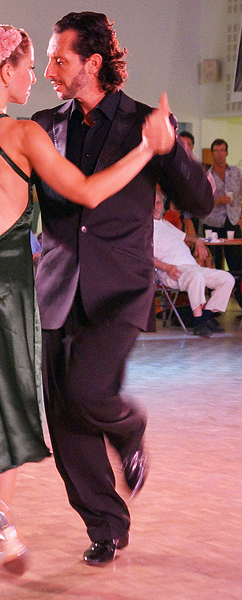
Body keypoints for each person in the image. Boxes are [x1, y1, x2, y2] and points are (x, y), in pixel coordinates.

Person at [0, 23, 175, 578]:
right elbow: (89, 192)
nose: (37, 77)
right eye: (31, 67)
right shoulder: (28, 134)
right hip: (3, 284)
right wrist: (146, 150)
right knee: (5, 405)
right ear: (5, 70)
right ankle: (2, 516)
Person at [30, 11, 213, 567]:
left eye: (58, 59)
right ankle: (106, 525)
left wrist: (170, 149)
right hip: (56, 289)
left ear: (92, 63)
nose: (48, 71)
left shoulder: (146, 123)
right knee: (65, 423)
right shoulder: (43, 124)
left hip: (119, 291)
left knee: (88, 393)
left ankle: (129, 427)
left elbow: (200, 202)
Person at [154, 190, 234, 336]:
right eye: (152, 204)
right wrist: (167, 267)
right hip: (172, 271)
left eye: (158, 203)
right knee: (196, 275)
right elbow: (144, 256)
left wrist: (197, 241)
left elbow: (186, 237)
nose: (155, 207)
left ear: (163, 204)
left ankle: (206, 317)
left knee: (227, 279)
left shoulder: (165, 224)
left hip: (191, 268)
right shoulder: (144, 228)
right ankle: (198, 322)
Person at [203, 138, 242, 271]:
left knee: (236, 259)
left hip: (233, 220)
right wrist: (218, 201)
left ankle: (237, 284)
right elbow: (202, 200)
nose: (219, 154)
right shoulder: (207, 176)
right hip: (213, 222)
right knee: (215, 260)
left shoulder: (236, 172)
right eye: (216, 151)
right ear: (212, 153)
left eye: (222, 150)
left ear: (227, 153)